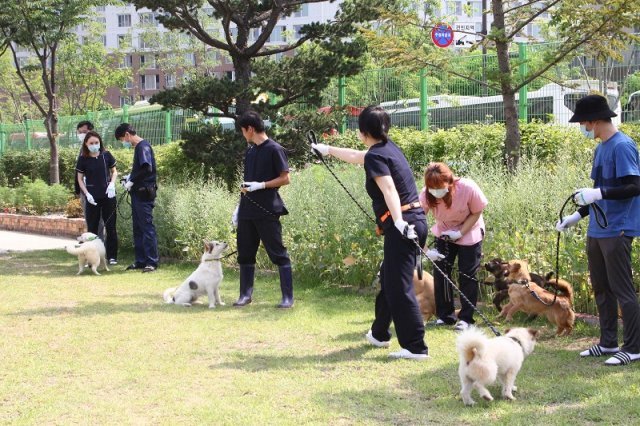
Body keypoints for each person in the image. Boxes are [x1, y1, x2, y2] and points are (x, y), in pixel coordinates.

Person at [311, 105, 429, 360]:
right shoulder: (388, 148)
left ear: (362, 131)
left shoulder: (377, 156)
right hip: (413, 220)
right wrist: (327, 150)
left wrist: (398, 222)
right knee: (389, 279)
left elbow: (389, 189)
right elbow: (356, 156)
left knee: (399, 287)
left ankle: (416, 347)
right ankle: (379, 334)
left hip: (404, 223)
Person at [556, 94, 640, 366]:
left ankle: (634, 347)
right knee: (602, 288)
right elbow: (598, 195)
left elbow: (633, 186)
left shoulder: (623, 146)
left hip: (618, 229)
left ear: (594, 120)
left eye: (583, 122)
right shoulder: (601, 148)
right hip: (598, 229)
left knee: (622, 290)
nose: (582, 127)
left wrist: (598, 193)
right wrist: (577, 215)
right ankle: (607, 343)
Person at [232, 110, 294, 309]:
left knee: (278, 253)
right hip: (247, 210)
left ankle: (287, 298)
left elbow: (286, 178)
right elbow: (246, 183)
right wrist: (238, 207)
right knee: (245, 253)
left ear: (250, 129)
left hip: (267, 210)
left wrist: (262, 185)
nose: (243, 134)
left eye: (243, 130)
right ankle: (245, 295)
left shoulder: (274, 149)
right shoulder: (250, 151)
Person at [419, 162, 488, 332]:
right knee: (441, 273)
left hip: (469, 231)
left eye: (439, 188)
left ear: (450, 181)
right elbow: (417, 221)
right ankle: (445, 315)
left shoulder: (467, 187)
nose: (436, 192)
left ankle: (466, 319)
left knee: (467, 274)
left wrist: (461, 232)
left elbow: (477, 211)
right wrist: (427, 250)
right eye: (431, 188)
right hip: (444, 232)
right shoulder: (426, 195)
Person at [115, 123, 159, 273]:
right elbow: (140, 169)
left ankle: (151, 262)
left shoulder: (143, 146)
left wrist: (132, 180)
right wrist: (129, 178)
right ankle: (140, 260)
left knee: (146, 228)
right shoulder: (138, 148)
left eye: (122, 139)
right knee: (138, 228)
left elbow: (147, 168)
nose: (124, 142)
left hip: (143, 193)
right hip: (137, 193)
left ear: (127, 134)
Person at [75, 131, 119, 264]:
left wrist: (112, 184)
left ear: (100, 142)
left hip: (108, 196)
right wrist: (87, 194)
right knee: (93, 228)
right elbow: (80, 179)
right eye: (91, 143)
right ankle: (92, 257)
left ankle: (112, 256)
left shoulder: (106, 155)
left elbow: (114, 171)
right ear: (86, 144)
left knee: (110, 226)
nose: (94, 145)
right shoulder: (83, 159)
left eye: (96, 142)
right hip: (92, 197)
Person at [74, 121, 104, 239]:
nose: (82, 135)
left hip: (95, 190)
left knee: (97, 219)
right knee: (89, 219)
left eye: (84, 132)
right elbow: (79, 173)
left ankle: (99, 243)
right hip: (85, 190)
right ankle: (92, 242)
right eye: (80, 132)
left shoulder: (98, 151)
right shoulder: (83, 150)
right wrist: (78, 189)